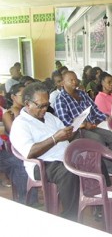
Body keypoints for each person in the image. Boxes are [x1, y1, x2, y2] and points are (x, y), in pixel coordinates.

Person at [9, 82, 80, 220]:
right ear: (27, 104)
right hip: (42, 163)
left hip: (62, 156)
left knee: (94, 159)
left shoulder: (49, 117)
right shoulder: (20, 124)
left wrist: (70, 133)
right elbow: (29, 152)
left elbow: (64, 136)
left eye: (47, 105)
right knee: (67, 172)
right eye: (40, 106)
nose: (44, 109)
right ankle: (70, 218)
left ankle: (101, 204)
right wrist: (55, 138)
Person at [54, 71, 112, 173]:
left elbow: (94, 109)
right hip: (75, 132)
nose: (74, 82)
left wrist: (106, 118)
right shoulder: (60, 100)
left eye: (75, 79)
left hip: (91, 126)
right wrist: (83, 124)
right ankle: (110, 169)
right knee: (98, 139)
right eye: (71, 80)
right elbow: (65, 123)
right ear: (62, 83)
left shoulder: (82, 94)